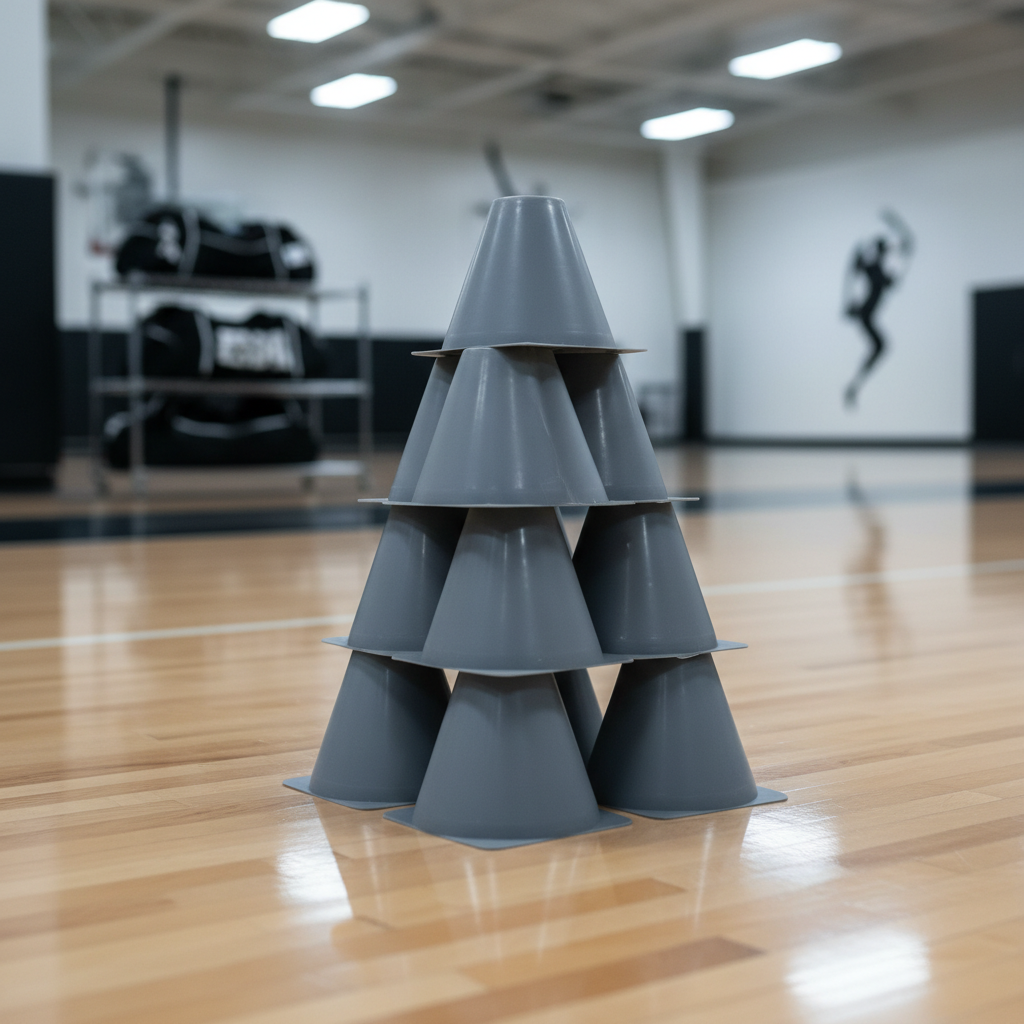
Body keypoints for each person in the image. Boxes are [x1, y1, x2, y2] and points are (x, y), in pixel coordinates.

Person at [842, 210, 914, 407]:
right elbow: (856, 267)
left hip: (867, 314)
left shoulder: (880, 271)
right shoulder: (873, 269)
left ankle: (854, 386)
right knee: (880, 347)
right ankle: (854, 387)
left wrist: (895, 223)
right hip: (866, 314)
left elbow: (906, 244)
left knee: (879, 348)